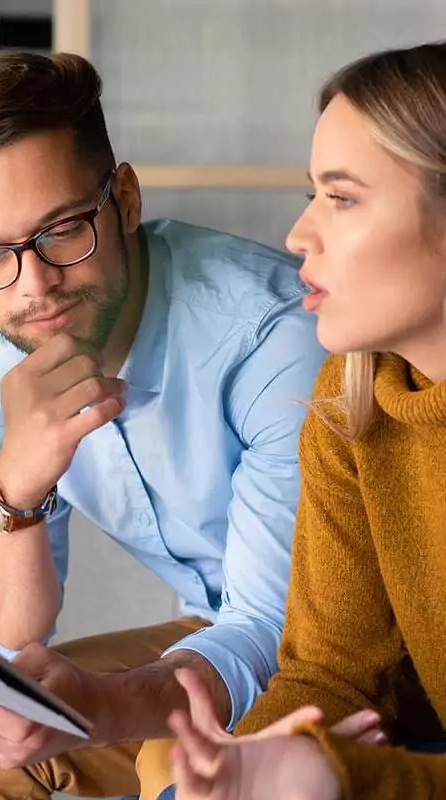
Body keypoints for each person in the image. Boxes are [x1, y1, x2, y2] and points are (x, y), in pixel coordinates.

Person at [0, 50, 331, 800]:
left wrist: (104, 707)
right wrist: (19, 484)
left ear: (125, 199)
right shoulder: (6, 340)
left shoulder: (272, 336)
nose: (33, 286)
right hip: (217, 631)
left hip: (338, 647)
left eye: (63, 231)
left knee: (170, 755)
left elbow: (278, 626)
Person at [166, 40, 446, 800]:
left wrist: (342, 774)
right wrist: (241, 772)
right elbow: (327, 677)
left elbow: (350, 761)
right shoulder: (351, 401)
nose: (298, 234)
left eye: (342, 197)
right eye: (311, 192)